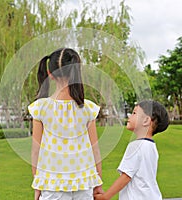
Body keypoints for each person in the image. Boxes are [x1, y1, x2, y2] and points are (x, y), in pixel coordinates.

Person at [28, 48, 103, 200]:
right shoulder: (87, 108)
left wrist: (38, 185)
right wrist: (98, 184)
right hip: (84, 184)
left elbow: (36, 151)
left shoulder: (41, 108)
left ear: (50, 74)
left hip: (52, 186)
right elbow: (95, 150)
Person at [94, 100, 169, 200]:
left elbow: (126, 177)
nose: (130, 116)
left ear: (146, 120)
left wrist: (105, 196)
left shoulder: (135, 146)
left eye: (134, 113)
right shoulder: (151, 146)